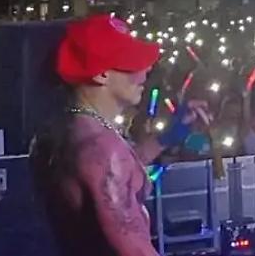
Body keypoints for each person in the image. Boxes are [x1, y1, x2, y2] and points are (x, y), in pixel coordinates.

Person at [29, 14, 210, 256]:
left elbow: (114, 174)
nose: (145, 71)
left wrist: (168, 137)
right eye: (132, 62)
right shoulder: (103, 149)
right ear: (100, 73)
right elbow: (135, 251)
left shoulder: (66, 131)